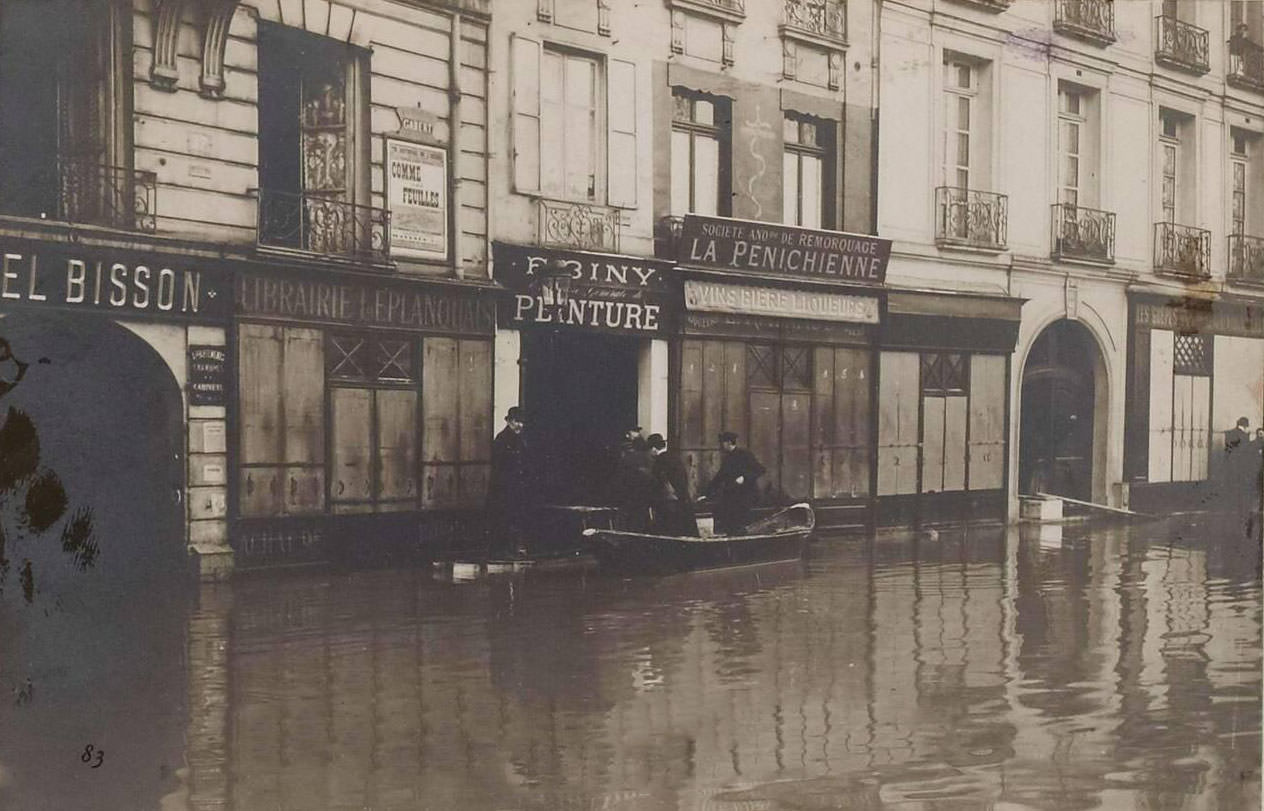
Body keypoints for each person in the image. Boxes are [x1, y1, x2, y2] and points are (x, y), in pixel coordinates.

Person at [486, 406, 530, 558]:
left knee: (516, 518)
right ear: (509, 421)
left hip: (517, 488)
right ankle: (503, 551)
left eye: (522, 422)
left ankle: (514, 549)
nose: (520, 425)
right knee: (504, 519)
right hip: (504, 489)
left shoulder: (521, 440)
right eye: (517, 421)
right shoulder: (501, 439)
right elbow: (499, 467)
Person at [702, 432, 765, 535]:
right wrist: (706, 493)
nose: (721, 446)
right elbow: (719, 477)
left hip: (746, 495)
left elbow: (760, 470)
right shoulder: (727, 458)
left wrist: (744, 478)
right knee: (727, 518)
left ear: (728, 443)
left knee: (739, 522)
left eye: (722, 443)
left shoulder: (744, 454)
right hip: (733, 495)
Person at [646, 433, 699, 537]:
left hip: (669, 504)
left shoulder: (659, 462)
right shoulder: (675, 458)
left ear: (653, 449)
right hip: (683, 500)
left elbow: (658, 484)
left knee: (669, 534)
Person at [612, 425, 654, 531]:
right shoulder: (647, 456)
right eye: (634, 432)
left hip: (632, 490)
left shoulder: (631, 455)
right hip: (638, 490)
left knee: (629, 517)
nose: (637, 434)